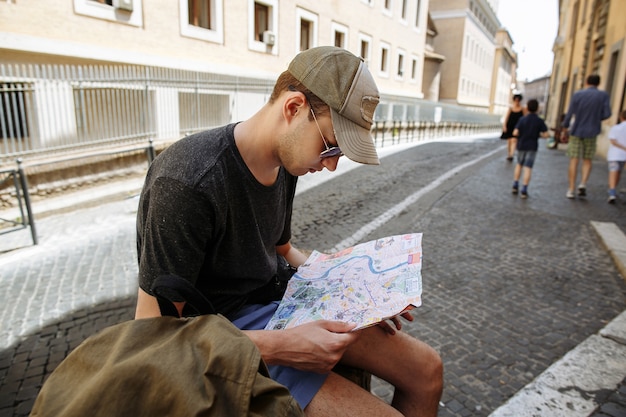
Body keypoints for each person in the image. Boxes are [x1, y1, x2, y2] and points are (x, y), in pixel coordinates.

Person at [134, 46, 443, 416]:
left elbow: (283, 251)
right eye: (330, 147)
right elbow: (151, 336)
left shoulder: (286, 164)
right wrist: (282, 345)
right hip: (220, 334)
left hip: (281, 304)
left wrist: (364, 291)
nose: (330, 166)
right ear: (294, 108)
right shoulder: (188, 182)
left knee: (427, 370)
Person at [562, 74, 611, 199]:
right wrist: (596, 118)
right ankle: (583, 183)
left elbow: (570, 113)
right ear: (598, 83)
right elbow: (607, 113)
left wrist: (565, 126)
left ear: (586, 82)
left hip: (577, 130)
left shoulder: (578, 95)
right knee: (587, 159)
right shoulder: (603, 96)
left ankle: (571, 189)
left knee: (574, 159)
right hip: (592, 131)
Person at [511, 99, 549, 198]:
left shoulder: (522, 119)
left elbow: (515, 133)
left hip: (521, 145)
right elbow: (546, 134)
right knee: (528, 167)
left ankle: (515, 185)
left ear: (527, 107)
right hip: (532, 146)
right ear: (537, 109)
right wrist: (538, 134)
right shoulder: (539, 121)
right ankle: (524, 189)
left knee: (519, 164)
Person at [606, 110, 626, 204]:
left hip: (615, 154)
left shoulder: (616, 127)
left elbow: (613, 141)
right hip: (624, 155)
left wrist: (623, 147)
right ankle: (613, 190)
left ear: (621, 117)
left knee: (613, 171)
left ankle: (612, 191)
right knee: (619, 172)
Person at [501, 93, 525, 161]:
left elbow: (525, 118)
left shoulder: (522, 109)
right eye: (516, 100)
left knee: (514, 140)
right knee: (509, 141)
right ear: (514, 100)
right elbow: (506, 118)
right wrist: (504, 126)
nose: (517, 102)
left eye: (518, 100)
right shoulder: (511, 108)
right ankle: (509, 154)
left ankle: (511, 155)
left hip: (517, 127)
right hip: (510, 126)